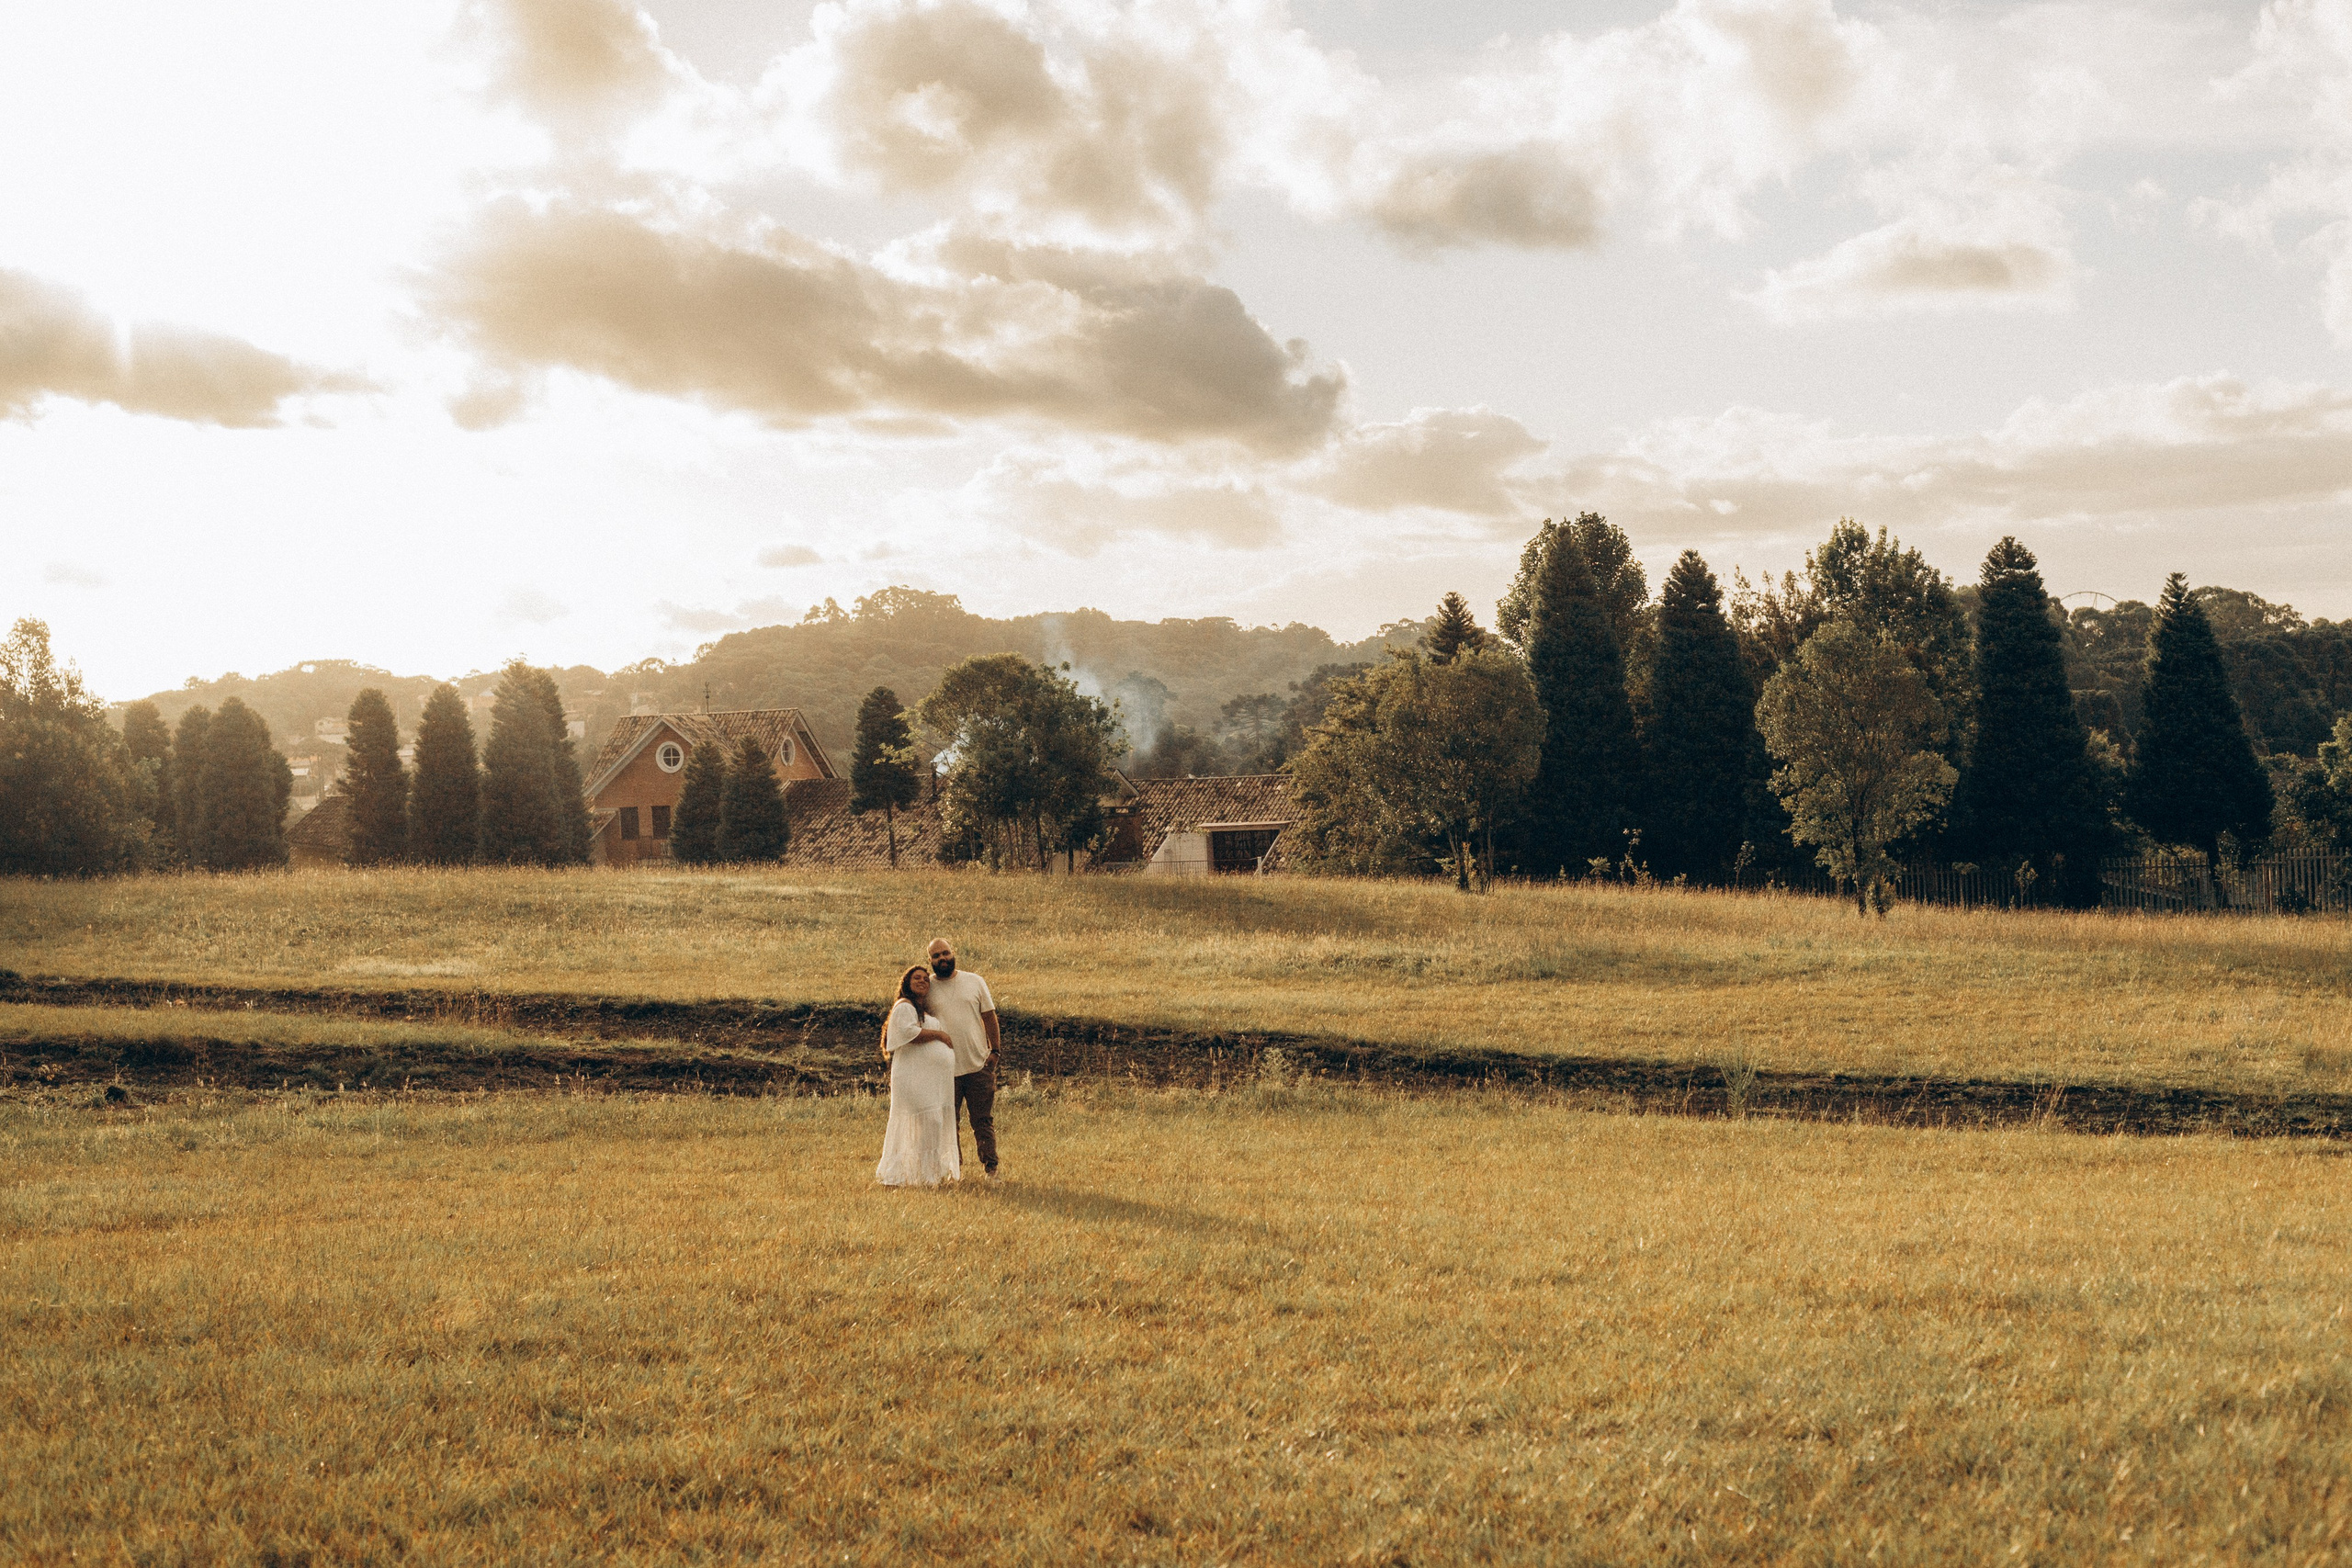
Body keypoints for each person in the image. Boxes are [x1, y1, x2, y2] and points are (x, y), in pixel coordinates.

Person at [925, 936, 1002, 1183]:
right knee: (948, 1123)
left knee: (982, 1121)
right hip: (944, 1069)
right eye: (936, 956)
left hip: (978, 1065)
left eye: (945, 953)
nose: (942, 959)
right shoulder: (927, 988)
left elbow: (989, 1017)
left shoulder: (974, 981)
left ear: (953, 952)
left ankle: (991, 1170)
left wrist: (995, 1052)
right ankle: (953, 1171)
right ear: (930, 961)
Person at [875, 964, 960, 1187]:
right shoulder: (904, 1006)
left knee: (931, 1123)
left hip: (928, 1081)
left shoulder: (922, 1010)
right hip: (912, 1079)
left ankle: (923, 1175)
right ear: (907, 984)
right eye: (917, 978)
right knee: (929, 1120)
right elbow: (907, 1033)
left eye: (925, 979)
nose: (922, 981)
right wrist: (939, 1035)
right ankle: (910, 1174)